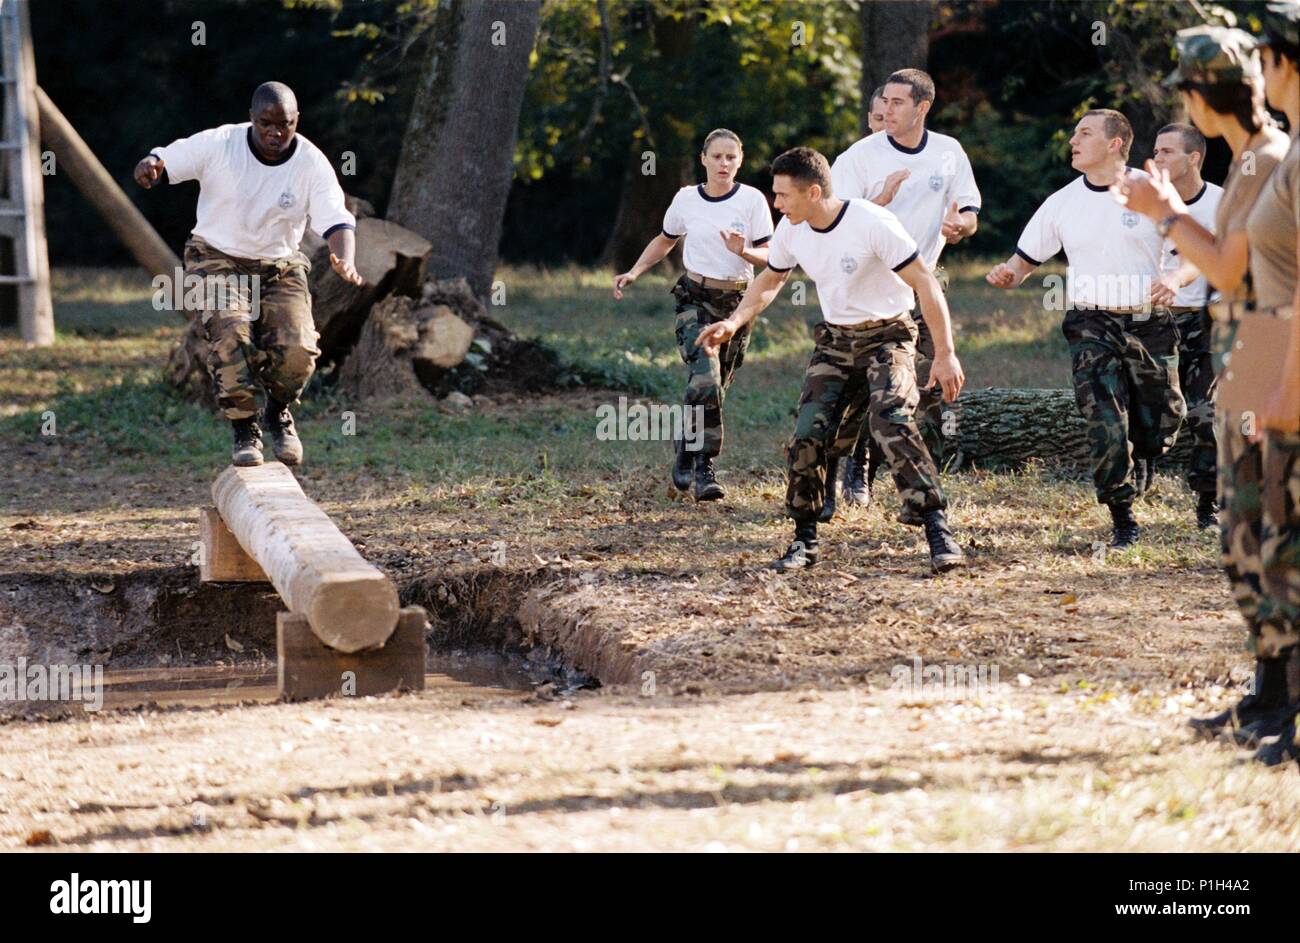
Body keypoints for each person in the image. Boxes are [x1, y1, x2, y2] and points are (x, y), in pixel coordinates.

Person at [1112, 14, 1299, 764]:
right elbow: (1233, 273)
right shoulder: (1260, 158)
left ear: (1198, 95)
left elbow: (1239, 272)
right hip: (1256, 346)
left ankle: (1284, 697)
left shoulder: (1270, 156)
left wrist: (1166, 215)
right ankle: (1270, 690)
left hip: (1277, 345)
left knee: (1279, 532)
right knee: (1246, 532)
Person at [697, 147, 965, 574]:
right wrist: (734, 321)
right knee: (808, 433)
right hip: (836, 341)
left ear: (815, 191)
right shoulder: (792, 228)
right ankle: (804, 540)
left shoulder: (870, 222)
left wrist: (945, 354)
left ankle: (936, 528)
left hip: (888, 336)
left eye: (784, 196)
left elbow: (925, 284)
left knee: (891, 420)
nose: (777, 205)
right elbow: (770, 279)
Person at [135, 82, 363, 467]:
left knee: (300, 348)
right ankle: (245, 427)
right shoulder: (221, 143)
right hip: (216, 256)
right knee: (231, 334)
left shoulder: (310, 162)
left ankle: (278, 410)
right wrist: (152, 163)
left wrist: (346, 259)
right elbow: (170, 156)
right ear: (252, 119)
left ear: (297, 121)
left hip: (280, 264)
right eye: (266, 124)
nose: (275, 133)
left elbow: (338, 220)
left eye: (285, 125)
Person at [986, 109, 1185, 548]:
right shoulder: (1061, 202)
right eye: (1074, 132)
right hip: (1091, 323)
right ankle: (1122, 515)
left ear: (1115, 144)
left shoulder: (1152, 192)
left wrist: (1173, 278)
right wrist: (1007, 274)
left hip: (1149, 324)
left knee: (1162, 420)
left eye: (1085, 133)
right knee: (1105, 421)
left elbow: (1192, 254)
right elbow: (1022, 264)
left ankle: (1147, 452)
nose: (1074, 141)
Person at [831, 69, 981, 512]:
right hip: (868, 286)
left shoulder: (948, 152)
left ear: (922, 108)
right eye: (885, 103)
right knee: (862, 382)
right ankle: (854, 464)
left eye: (899, 103)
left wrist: (961, 226)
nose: (889, 111)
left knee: (932, 380)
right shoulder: (859, 157)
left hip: (924, 281)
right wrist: (879, 199)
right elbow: (833, 220)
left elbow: (969, 209)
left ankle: (894, 462)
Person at [613, 129, 773, 501]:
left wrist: (744, 252)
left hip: (738, 304)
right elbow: (666, 238)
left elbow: (773, 257)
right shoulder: (687, 198)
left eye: (731, 157)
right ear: (703, 159)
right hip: (694, 300)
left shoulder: (752, 201)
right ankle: (705, 468)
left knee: (715, 389)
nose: (723, 164)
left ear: (740, 160)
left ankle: (686, 446)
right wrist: (635, 271)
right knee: (706, 377)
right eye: (716, 156)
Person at [1148, 123, 1223, 526]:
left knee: (1205, 413)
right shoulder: (1143, 199)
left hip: (1206, 320)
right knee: (1156, 411)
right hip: (1150, 320)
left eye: (1166, 152)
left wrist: (1177, 278)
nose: (1156, 159)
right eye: (1155, 152)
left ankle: (1208, 501)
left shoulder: (1223, 203)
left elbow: (1208, 255)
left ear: (1193, 158)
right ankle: (1139, 470)